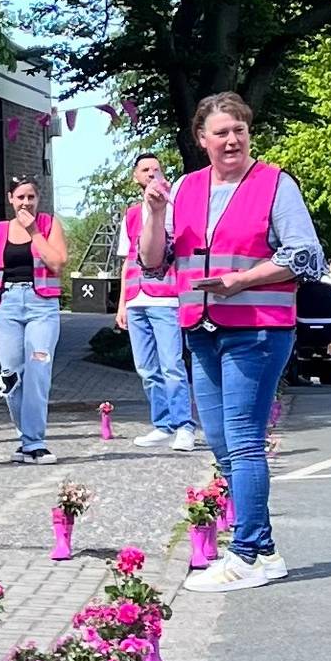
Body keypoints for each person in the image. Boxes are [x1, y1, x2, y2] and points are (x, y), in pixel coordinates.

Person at [138, 93, 321, 591]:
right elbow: (154, 263)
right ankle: (263, 551)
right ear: (202, 140)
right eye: (221, 132)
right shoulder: (184, 188)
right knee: (220, 443)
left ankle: (244, 553)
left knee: (242, 439)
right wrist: (153, 213)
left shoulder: (275, 184)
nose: (232, 139)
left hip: (258, 329)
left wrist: (243, 281)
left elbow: (306, 257)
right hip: (202, 329)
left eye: (239, 129)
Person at [0, 176, 66, 464]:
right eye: (20, 197)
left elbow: (57, 262)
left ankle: (35, 441)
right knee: (11, 376)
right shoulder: (1, 229)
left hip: (41, 305)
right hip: (7, 306)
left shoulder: (48, 224)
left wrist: (34, 231)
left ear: (38, 199)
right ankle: (26, 437)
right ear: (10, 199)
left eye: (31, 197)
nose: (26, 203)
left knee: (39, 371)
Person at [116, 156, 196, 450]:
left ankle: (185, 425)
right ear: (136, 177)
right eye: (145, 169)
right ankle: (162, 424)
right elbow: (127, 261)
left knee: (171, 364)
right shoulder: (132, 215)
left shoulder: (174, 209)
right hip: (137, 298)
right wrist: (122, 304)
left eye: (156, 169)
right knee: (146, 367)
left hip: (165, 297)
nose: (151, 173)